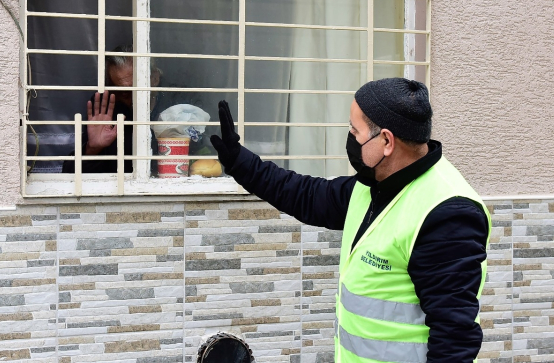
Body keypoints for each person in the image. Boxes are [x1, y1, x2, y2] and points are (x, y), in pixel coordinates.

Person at [210, 78, 491, 363]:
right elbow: (305, 195)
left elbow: (454, 342)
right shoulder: (375, 185)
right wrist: (240, 162)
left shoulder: (447, 214)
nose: (350, 139)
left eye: (355, 131)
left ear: (386, 141)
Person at [62, 44, 211, 174]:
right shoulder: (105, 108)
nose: (133, 98)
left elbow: (207, 157)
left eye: (137, 88)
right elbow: (70, 177)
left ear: (154, 78)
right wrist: (92, 149)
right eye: (124, 92)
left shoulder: (181, 102)